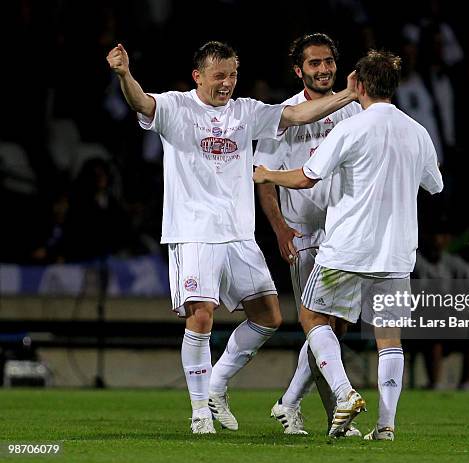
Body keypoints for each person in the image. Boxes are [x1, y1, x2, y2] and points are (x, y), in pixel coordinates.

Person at [106, 41, 358, 435]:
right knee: (201, 315)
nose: (227, 83)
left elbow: (295, 114)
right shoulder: (178, 107)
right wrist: (125, 75)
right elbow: (142, 104)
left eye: (233, 75)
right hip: (193, 232)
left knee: (269, 316)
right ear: (198, 76)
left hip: (239, 234)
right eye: (220, 75)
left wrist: (346, 95)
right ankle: (199, 413)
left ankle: (216, 385)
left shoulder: (246, 111)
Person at [254, 50, 444, 440]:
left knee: (312, 319)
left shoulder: (351, 127)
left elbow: (308, 177)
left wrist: (267, 174)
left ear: (359, 84)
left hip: (347, 248)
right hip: (396, 253)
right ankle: (385, 426)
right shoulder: (417, 132)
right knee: (389, 342)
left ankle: (343, 393)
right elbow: (435, 185)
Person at [254, 33, 362, 436]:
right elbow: (263, 178)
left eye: (328, 62)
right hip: (304, 235)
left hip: (344, 234)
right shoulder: (282, 115)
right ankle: (333, 410)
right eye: (314, 64)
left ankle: (291, 403)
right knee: (319, 325)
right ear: (299, 70)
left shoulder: (352, 111)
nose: (323, 69)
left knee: (334, 328)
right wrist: (280, 228)